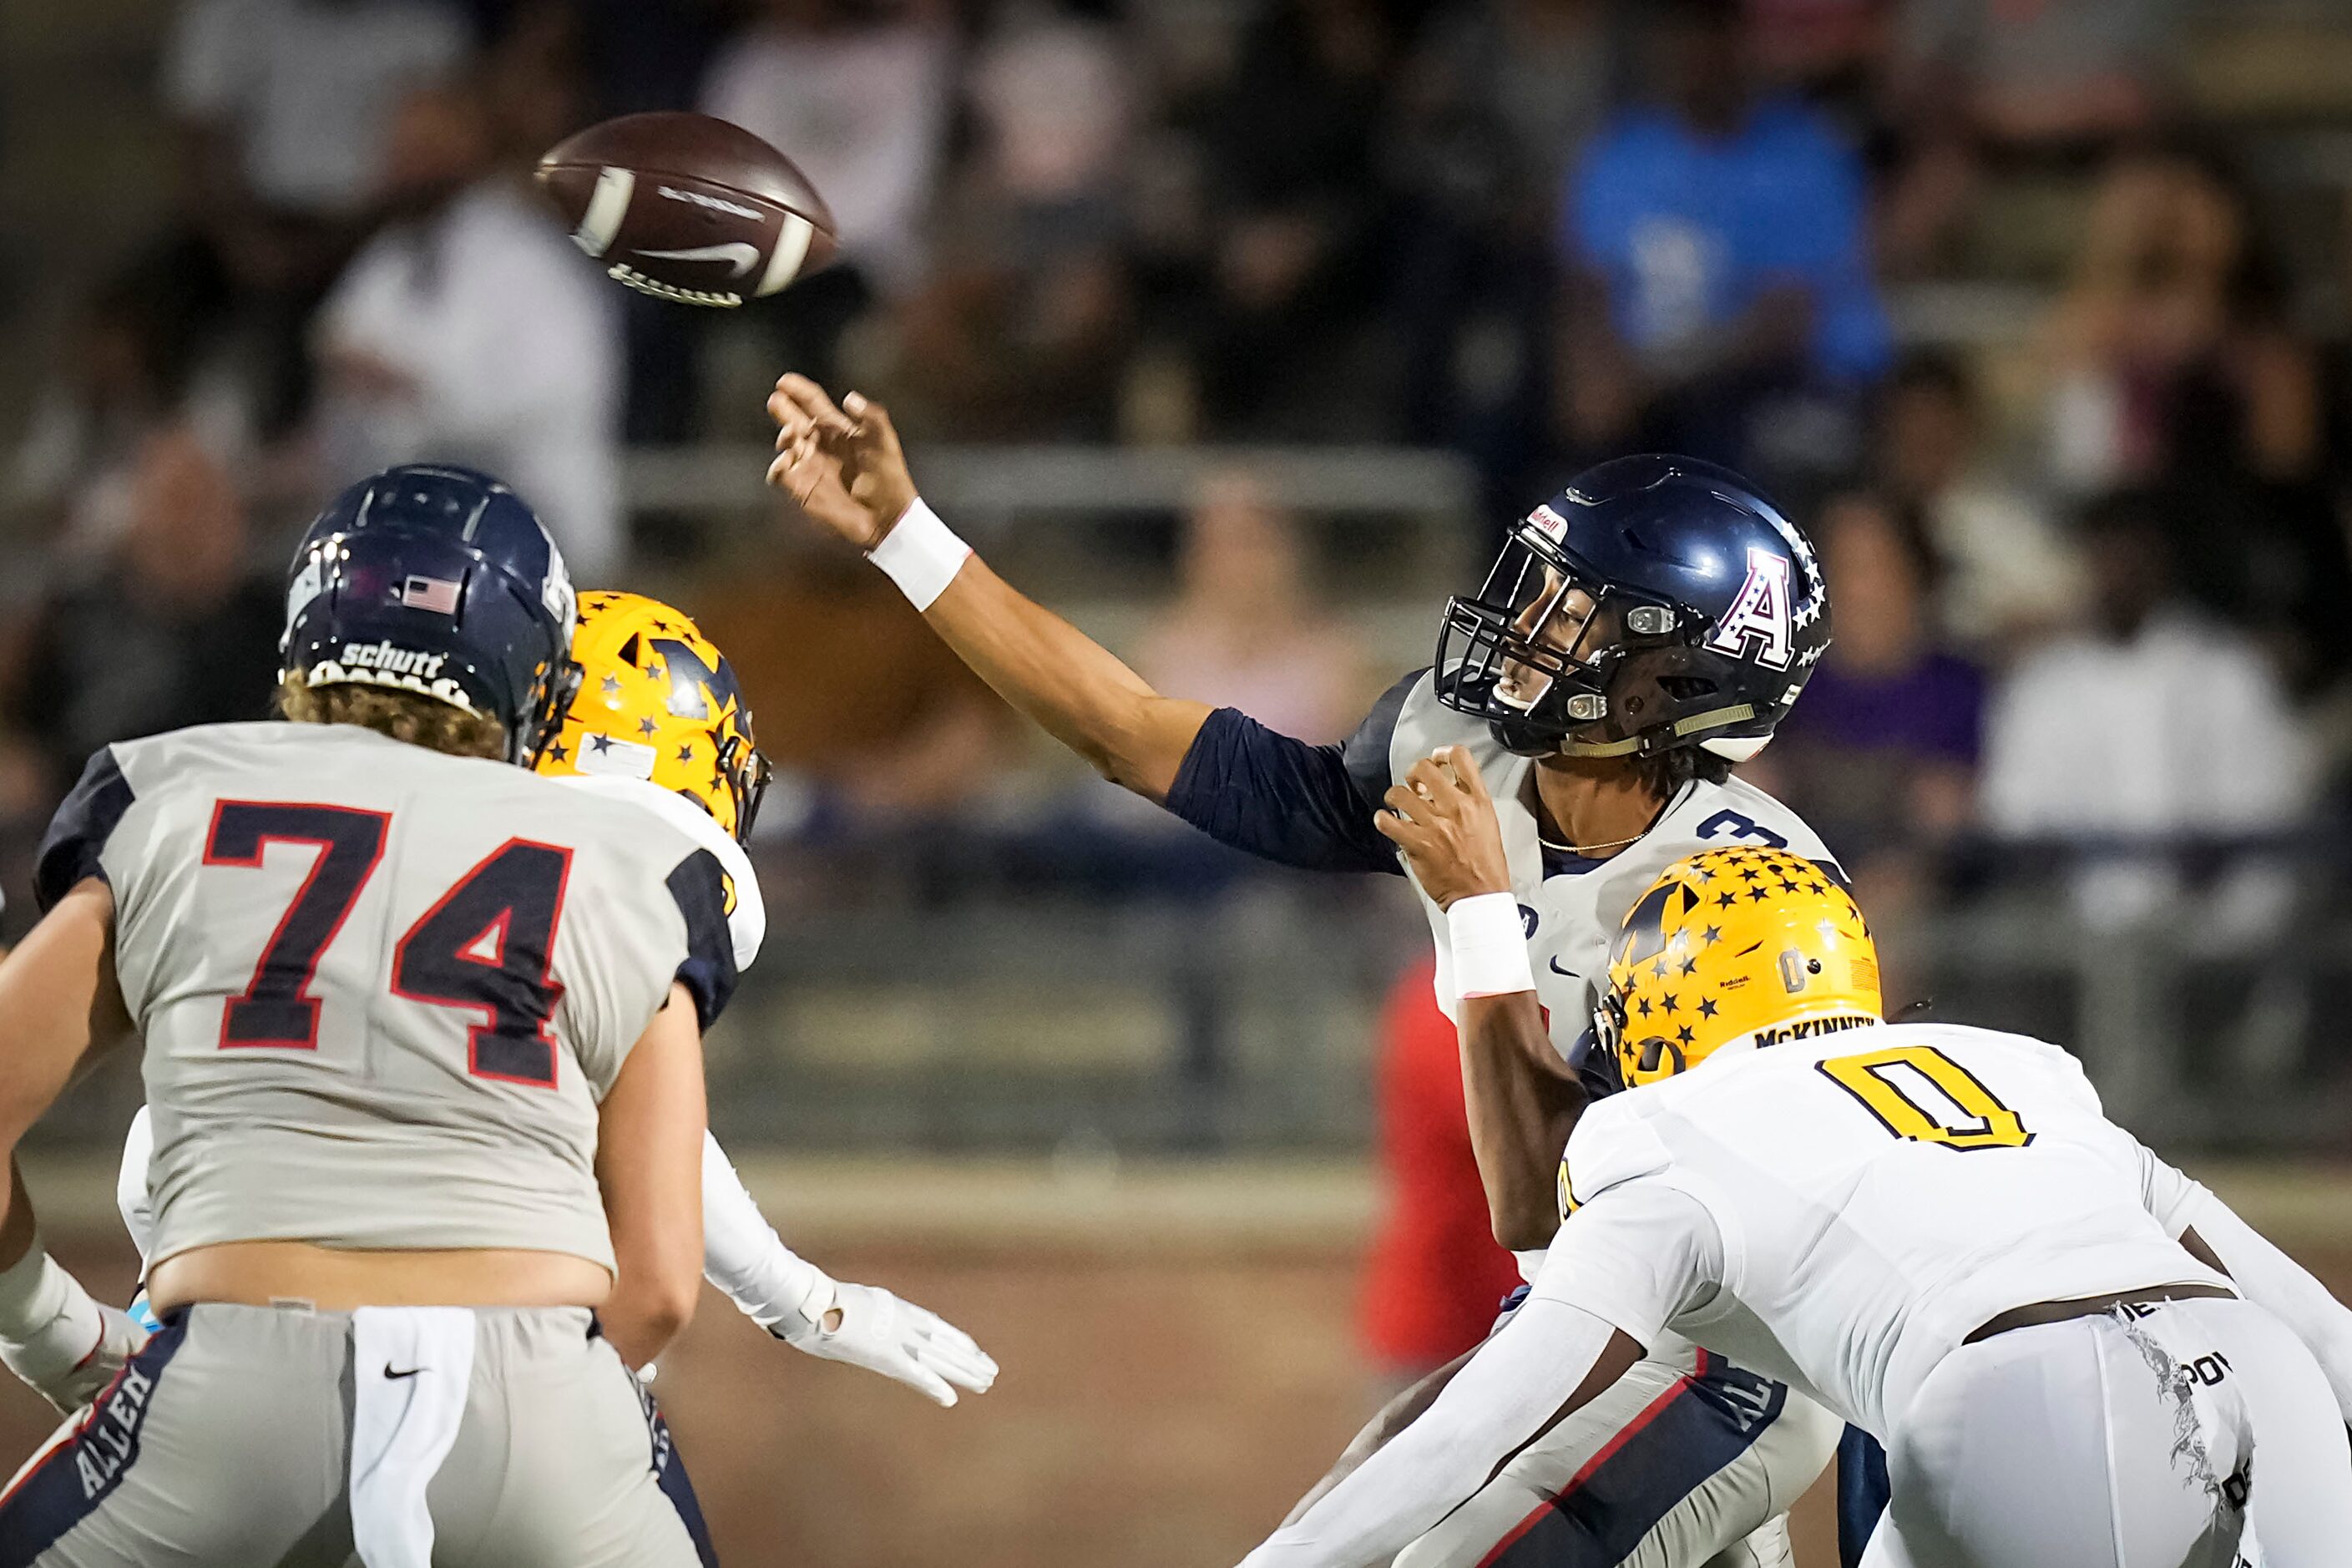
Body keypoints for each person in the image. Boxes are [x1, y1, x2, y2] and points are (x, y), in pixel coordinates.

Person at [767, 372, 1848, 1566]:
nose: (1528, 622)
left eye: (1576, 609)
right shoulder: (1465, 743)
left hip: (1727, 1357)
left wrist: (1483, 917)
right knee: (1370, 1498)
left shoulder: (1746, 905)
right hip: (1585, 1314)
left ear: (1675, 682)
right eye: (1537, 586)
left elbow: (1538, 1198)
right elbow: (1131, 730)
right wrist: (906, 537)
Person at [1241, 842, 2352, 1568]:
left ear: (1670, 1003)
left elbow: (1482, 1424)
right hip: (2265, 1374)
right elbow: (2317, 1325)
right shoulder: (2018, 1067)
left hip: (2021, 1402)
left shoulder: (1663, 1128)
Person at [0, 465, 718, 1564]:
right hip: (542, 1413)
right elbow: (663, 1283)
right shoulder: (633, 861)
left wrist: (55, 1333)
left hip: (232, 1389)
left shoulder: (172, 790)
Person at [64, 589, 999, 1417]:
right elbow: (646, 1179)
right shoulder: (599, 873)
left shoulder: (337, 825)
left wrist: (61, 1323)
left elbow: (151, 1156)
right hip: (460, 1384)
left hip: (218, 1336)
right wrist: (795, 1298)